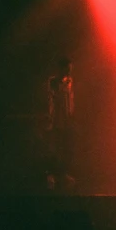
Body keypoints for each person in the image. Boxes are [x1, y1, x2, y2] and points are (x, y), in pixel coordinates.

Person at [46, 56, 75, 190]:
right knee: (54, 148)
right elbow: (53, 98)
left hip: (66, 120)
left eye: (70, 69)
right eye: (67, 69)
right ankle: (51, 174)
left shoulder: (69, 81)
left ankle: (63, 174)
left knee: (64, 148)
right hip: (56, 121)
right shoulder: (53, 81)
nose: (69, 72)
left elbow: (70, 99)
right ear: (61, 68)